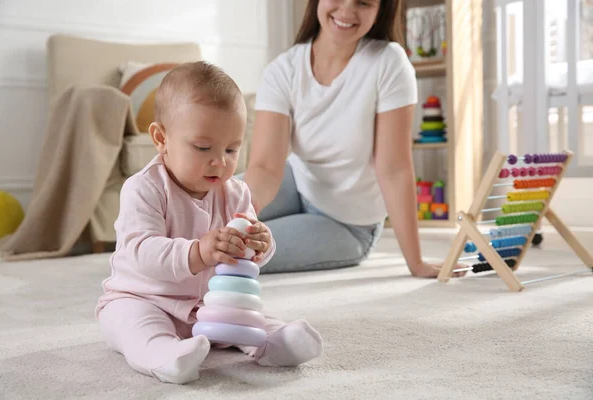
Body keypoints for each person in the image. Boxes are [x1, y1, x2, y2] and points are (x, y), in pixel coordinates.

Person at [95, 62, 323, 385]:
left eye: (232, 149)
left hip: (209, 305)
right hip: (142, 299)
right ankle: (165, 355)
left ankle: (274, 342)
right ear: (162, 138)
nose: (220, 161)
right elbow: (140, 252)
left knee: (247, 318)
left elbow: (246, 259)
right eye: (203, 148)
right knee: (137, 326)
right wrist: (199, 252)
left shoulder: (235, 192)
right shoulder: (144, 188)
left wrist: (261, 244)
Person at [243, 0, 466, 278]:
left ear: (380, 10)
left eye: (363, 2)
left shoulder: (388, 62)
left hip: (348, 224)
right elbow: (265, 167)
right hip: (296, 183)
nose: (347, 10)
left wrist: (416, 262)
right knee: (205, 204)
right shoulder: (283, 69)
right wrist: (239, 215)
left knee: (238, 253)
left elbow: (394, 170)